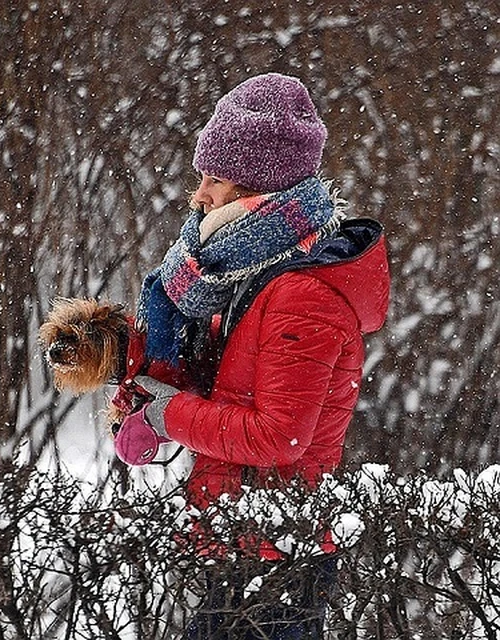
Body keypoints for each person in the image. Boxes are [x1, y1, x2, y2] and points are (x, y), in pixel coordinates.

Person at [113, 73, 390, 638]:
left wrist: (166, 416)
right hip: (242, 536)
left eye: (216, 180)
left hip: (278, 555)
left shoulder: (301, 294)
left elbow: (279, 435)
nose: (200, 196)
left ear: (255, 193)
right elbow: (225, 393)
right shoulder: (242, 278)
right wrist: (148, 378)